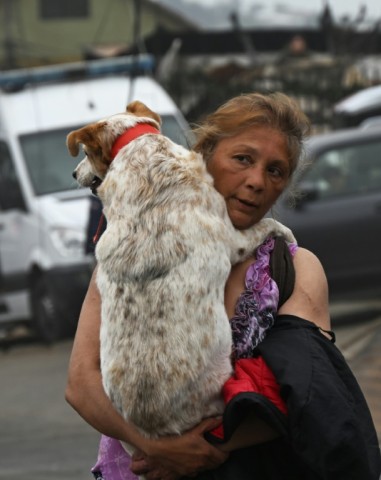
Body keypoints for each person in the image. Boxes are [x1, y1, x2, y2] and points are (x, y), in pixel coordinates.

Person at [65, 92, 381, 480]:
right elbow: (81, 382)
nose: (255, 182)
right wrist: (155, 447)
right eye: (243, 159)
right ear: (204, 155)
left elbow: (306, 389)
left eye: (275, 171)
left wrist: (204, 450)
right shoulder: (135, 246)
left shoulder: (294, 268)